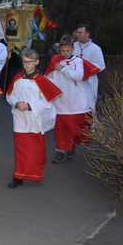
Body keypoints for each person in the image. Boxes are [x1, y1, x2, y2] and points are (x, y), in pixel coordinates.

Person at [5, 48, 61, 188]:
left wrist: (30, 106)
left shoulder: (42, 80)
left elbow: (48, 102)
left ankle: (36, 174)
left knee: (36, 149)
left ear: (37, 62)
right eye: (25, 62)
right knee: (20, 148)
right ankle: (18, 176)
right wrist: (16, 103)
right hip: (20, 118)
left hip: (35, 119)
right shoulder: (17, 78)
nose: (27, 65)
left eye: (30, 62)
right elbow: (9, 95)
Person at [45, 35, 94, 163]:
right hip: (61, 100)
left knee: (74, 127)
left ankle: (71, 147)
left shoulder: (78, 61)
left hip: (75, 100)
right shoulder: (56, 61)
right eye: (62, 51)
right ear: (59, 50)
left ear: (72, 49)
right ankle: (60, 151)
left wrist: (63, 68)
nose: (65, 53)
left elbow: (78, 76)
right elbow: (51, 77)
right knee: (60, 128)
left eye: (67, 51)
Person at [73, 24, 105, 112]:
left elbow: (101, 65)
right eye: (77, 32)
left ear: (87, 34)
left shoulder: (95, 48)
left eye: (80, 32)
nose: (77, 34)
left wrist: (86, 67)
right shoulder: (73, 46)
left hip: (89, 81)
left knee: (88, 103)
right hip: (74, 80)